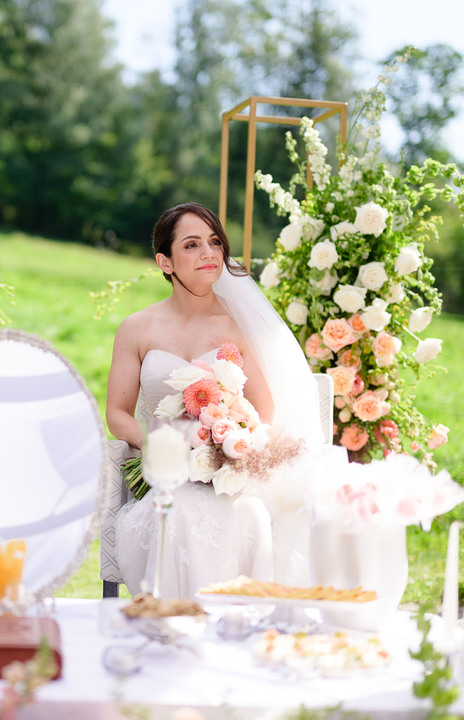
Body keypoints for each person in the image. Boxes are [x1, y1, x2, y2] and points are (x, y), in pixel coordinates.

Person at [106, 202, 326, 598]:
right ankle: (170, 621)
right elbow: (117, 414)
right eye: (191, 245)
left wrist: (233, 442)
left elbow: (265, 408)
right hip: (165, 473)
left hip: (227, 473)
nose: (209, 253)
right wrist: (158, 446)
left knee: (245, 513)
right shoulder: (137, 328)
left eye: (214, 242)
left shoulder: (237, 326)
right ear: (165, 261)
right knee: (178, 513)